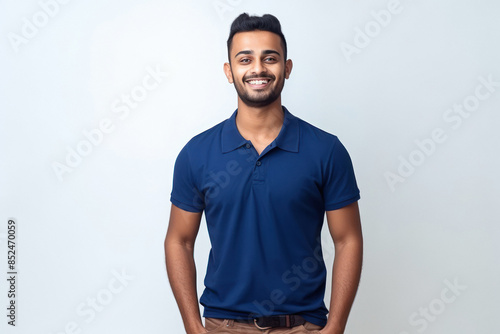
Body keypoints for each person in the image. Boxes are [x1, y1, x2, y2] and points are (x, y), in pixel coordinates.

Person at [164, 13, 363, 334]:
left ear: (287, 68)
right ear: (229, 71)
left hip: (303, 325)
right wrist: (192, 325)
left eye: (270, 58)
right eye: (245, 59)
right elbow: (179, 240)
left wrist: (336, 326)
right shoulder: (197, 153)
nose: (258, 68)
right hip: (223, 325)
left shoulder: (326, 150)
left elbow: (348, 239)